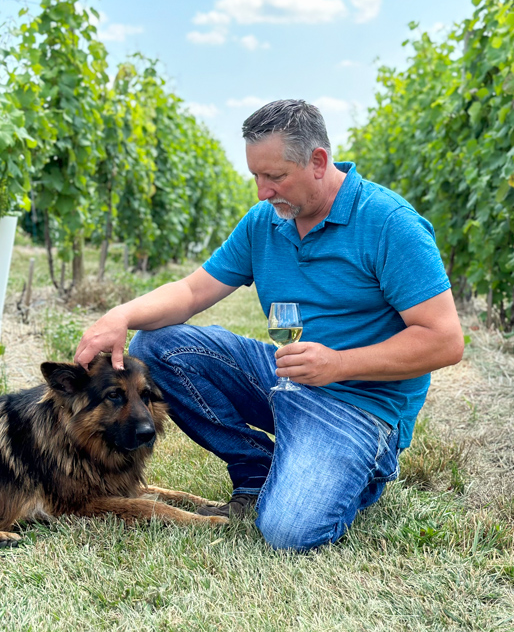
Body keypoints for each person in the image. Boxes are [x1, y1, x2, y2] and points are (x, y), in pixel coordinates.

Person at [74, 99, 464, 551]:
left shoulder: (388, 224)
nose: (262, 191)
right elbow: (192, 293)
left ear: (318, 161)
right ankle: (256, 468)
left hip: (360, 405)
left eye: (275, 176)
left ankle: (359, 470)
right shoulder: (266, 222)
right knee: (158, 345)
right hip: (288, 372)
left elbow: (445, 341)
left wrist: (339, 364)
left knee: (288, 531)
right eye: (256, 177)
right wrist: (119, 315)